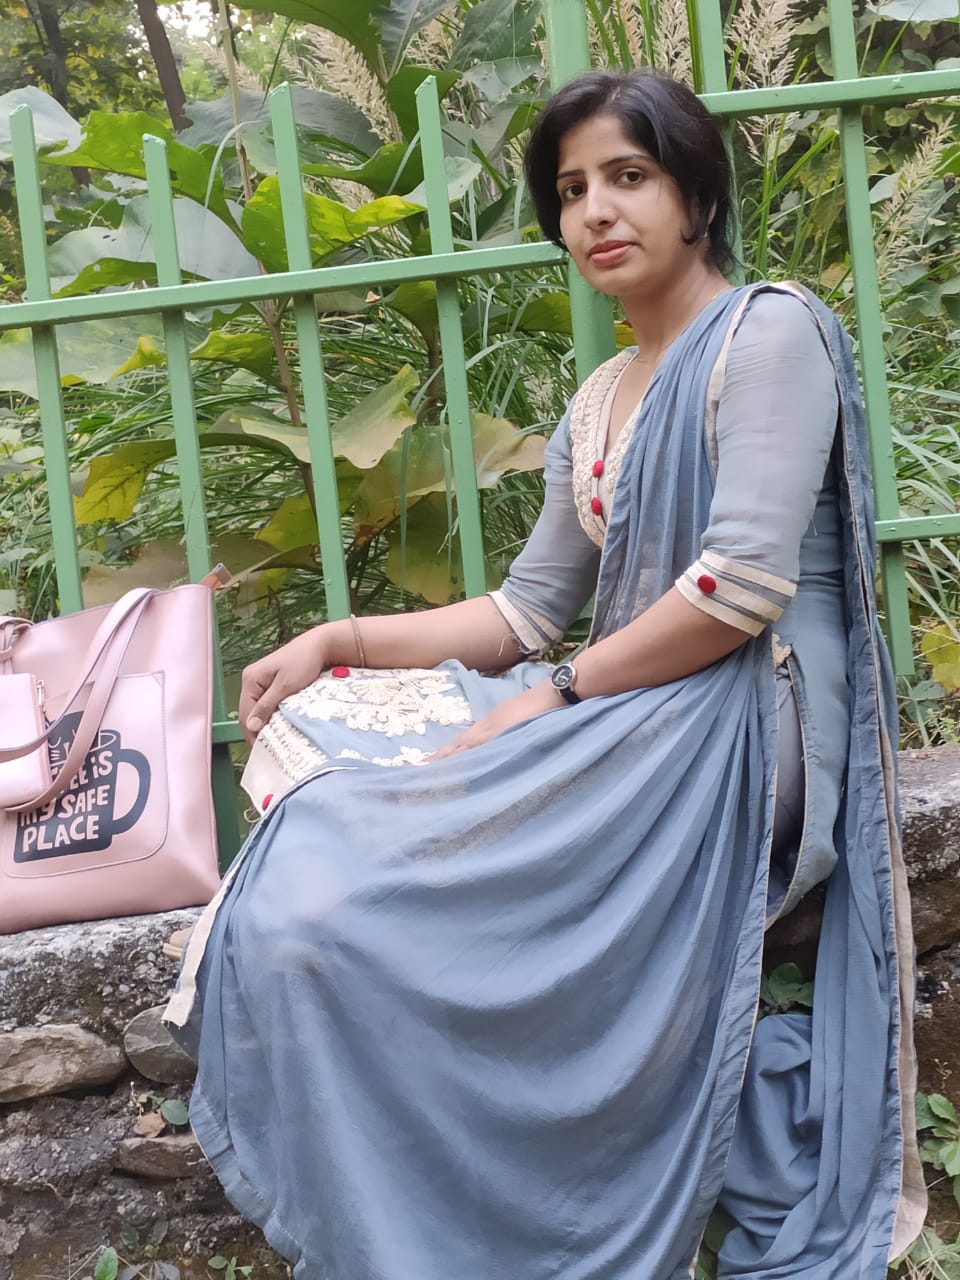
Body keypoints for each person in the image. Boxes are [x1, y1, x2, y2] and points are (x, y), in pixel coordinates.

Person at [165, 69, 925, 1278]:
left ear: (698, 195)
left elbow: (739, 587)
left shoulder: (768, 333)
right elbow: (525, 612)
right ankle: (427, 1176)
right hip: (635, 701)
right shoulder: (603, 396)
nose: (595, 212)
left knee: (413, 829)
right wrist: (337, 640)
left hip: (747, 721)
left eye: (629, 176)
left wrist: (555, 699)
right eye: (571, 190)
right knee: (342, 781)